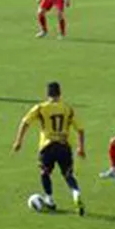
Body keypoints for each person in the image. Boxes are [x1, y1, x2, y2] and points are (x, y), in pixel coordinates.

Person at [11, 81, 86, 216]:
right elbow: (80, 129)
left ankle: (50, 200)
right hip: (64, 146)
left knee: (44, 173)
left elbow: (25, 122)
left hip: (48, 146)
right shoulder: (68, 109)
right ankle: (76, 194)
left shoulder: (41, 108)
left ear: (47, 94)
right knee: (68, 175)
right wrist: (81, 147)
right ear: (60, 93)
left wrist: (19, 141)